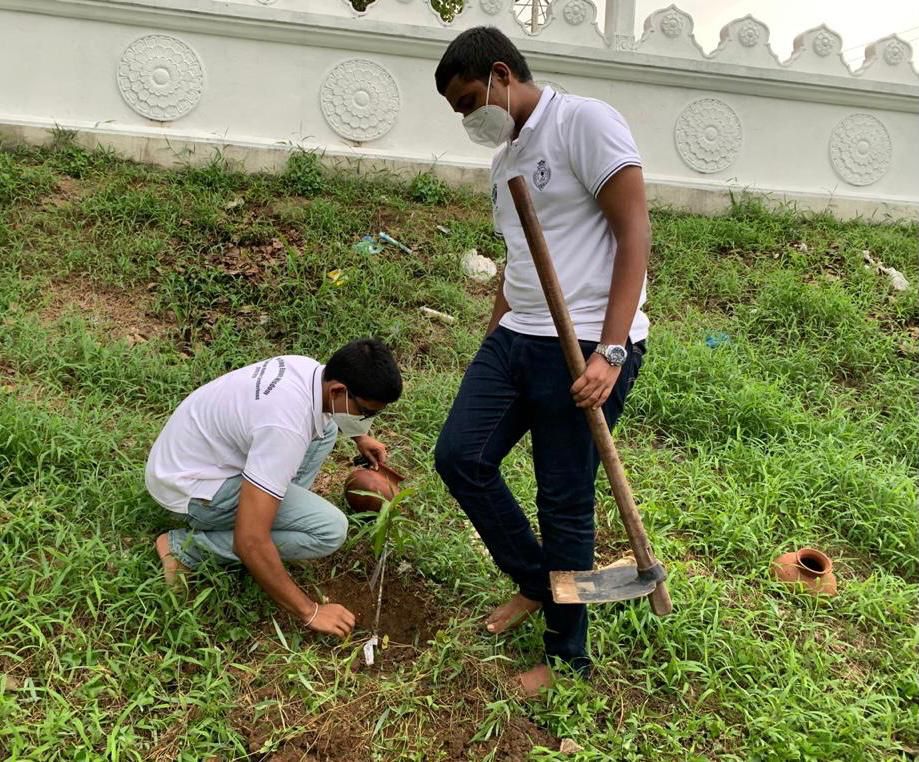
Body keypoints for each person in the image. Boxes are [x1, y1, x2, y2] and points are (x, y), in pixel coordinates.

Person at [433, 27, 651, 696]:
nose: (472, 118)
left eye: (472, 99)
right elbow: (519, 258)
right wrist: (492, 332)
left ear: (501, 73)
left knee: (563, 499)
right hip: (517, 335)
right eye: (460, 112)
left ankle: (567, 658)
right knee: (459, 456)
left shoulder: (583, 122)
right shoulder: (504, 160)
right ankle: (540, 581)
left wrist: (610, 350)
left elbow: (633, 229)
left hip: (584, 340)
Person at [145, 339, 402, 639]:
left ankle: (267, 501)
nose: (367, 419)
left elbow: (325, 414)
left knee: (326, 430)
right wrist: (311, 612)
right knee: (329, 530)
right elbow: (248, 540)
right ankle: (183, 550)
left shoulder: (309, 371)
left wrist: (359, 436)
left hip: (186, 457)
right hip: (190, 492)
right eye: (366, 412)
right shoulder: (285, 428)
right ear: (338, 391)